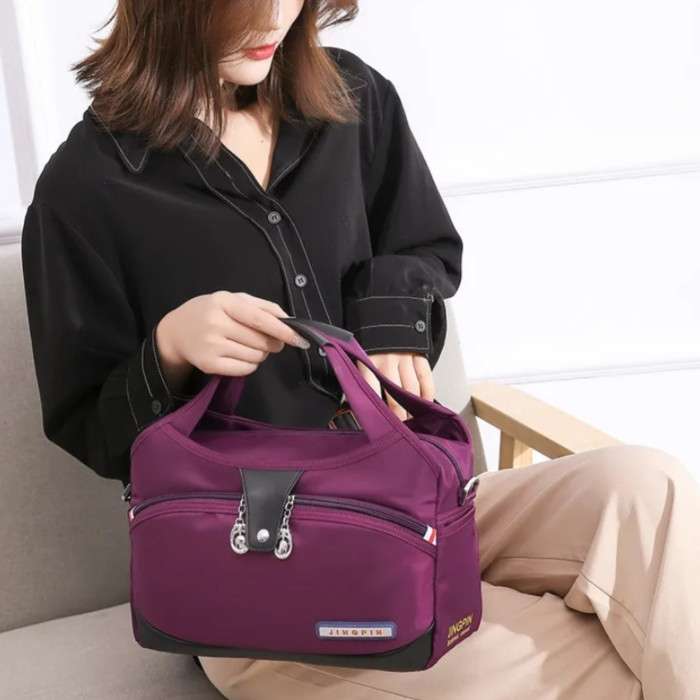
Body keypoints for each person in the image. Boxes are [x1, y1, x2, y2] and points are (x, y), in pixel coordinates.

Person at [19, 1, 700, 698]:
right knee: (607, 656)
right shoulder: (86, 187)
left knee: (648, 487)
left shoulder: (352, 97)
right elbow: (89, 423)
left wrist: (389, 316)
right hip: (262, 571)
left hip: (417, 503)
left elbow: (422, 245)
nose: (273, 20)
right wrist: (170, 347)